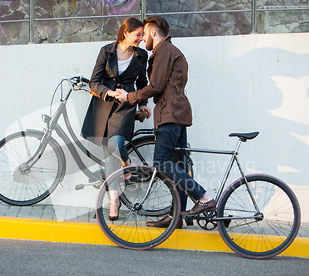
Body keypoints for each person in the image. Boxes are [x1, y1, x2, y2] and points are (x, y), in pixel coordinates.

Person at [116, 16, 216, 229]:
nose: (142, 40)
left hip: (169, 113)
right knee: (178, 166)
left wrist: (130, 97)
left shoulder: (163, 51)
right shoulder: (173, 52)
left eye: (144, 35)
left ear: (153, 32)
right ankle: (176, 217)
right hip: (177, 113)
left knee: (161, 162)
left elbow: (156, 86)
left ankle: (204, 198)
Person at [81, 17, 151, 221]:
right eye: (138, 34)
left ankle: (127, 161)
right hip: (103, 106)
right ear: (125, 33)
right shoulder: (106, 51)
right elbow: (94, 82)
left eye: (142, 34)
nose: (141, 38)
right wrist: (109, 93)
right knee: (109, 157)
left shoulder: (141, 55)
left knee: (116, 143)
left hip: (125, 105)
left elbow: (142, 82)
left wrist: (143, 102)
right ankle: (114, 201)